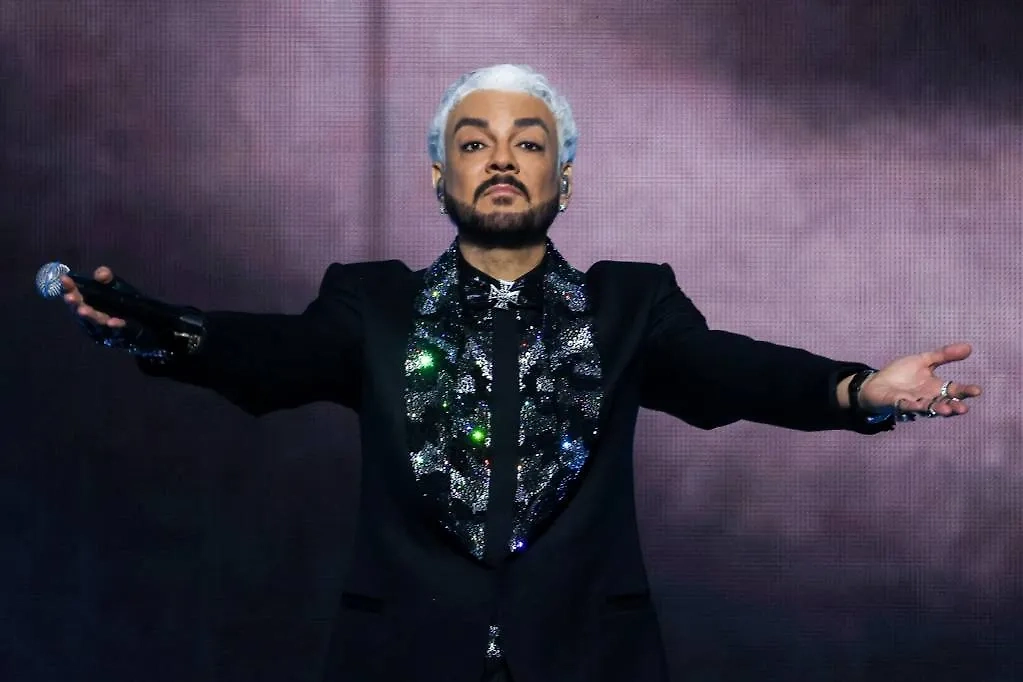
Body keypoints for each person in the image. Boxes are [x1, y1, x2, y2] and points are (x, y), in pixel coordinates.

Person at [58, 64, 981, 682]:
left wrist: (859, 390)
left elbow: (729, 373)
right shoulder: (371, 302)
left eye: (528, 143)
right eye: (474, 142)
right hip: (403, 654)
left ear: (563, 180)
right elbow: (273, 357)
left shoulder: (630, 302)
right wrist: (165, 329)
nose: (501, 157)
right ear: (439, 178)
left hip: (587, 655)